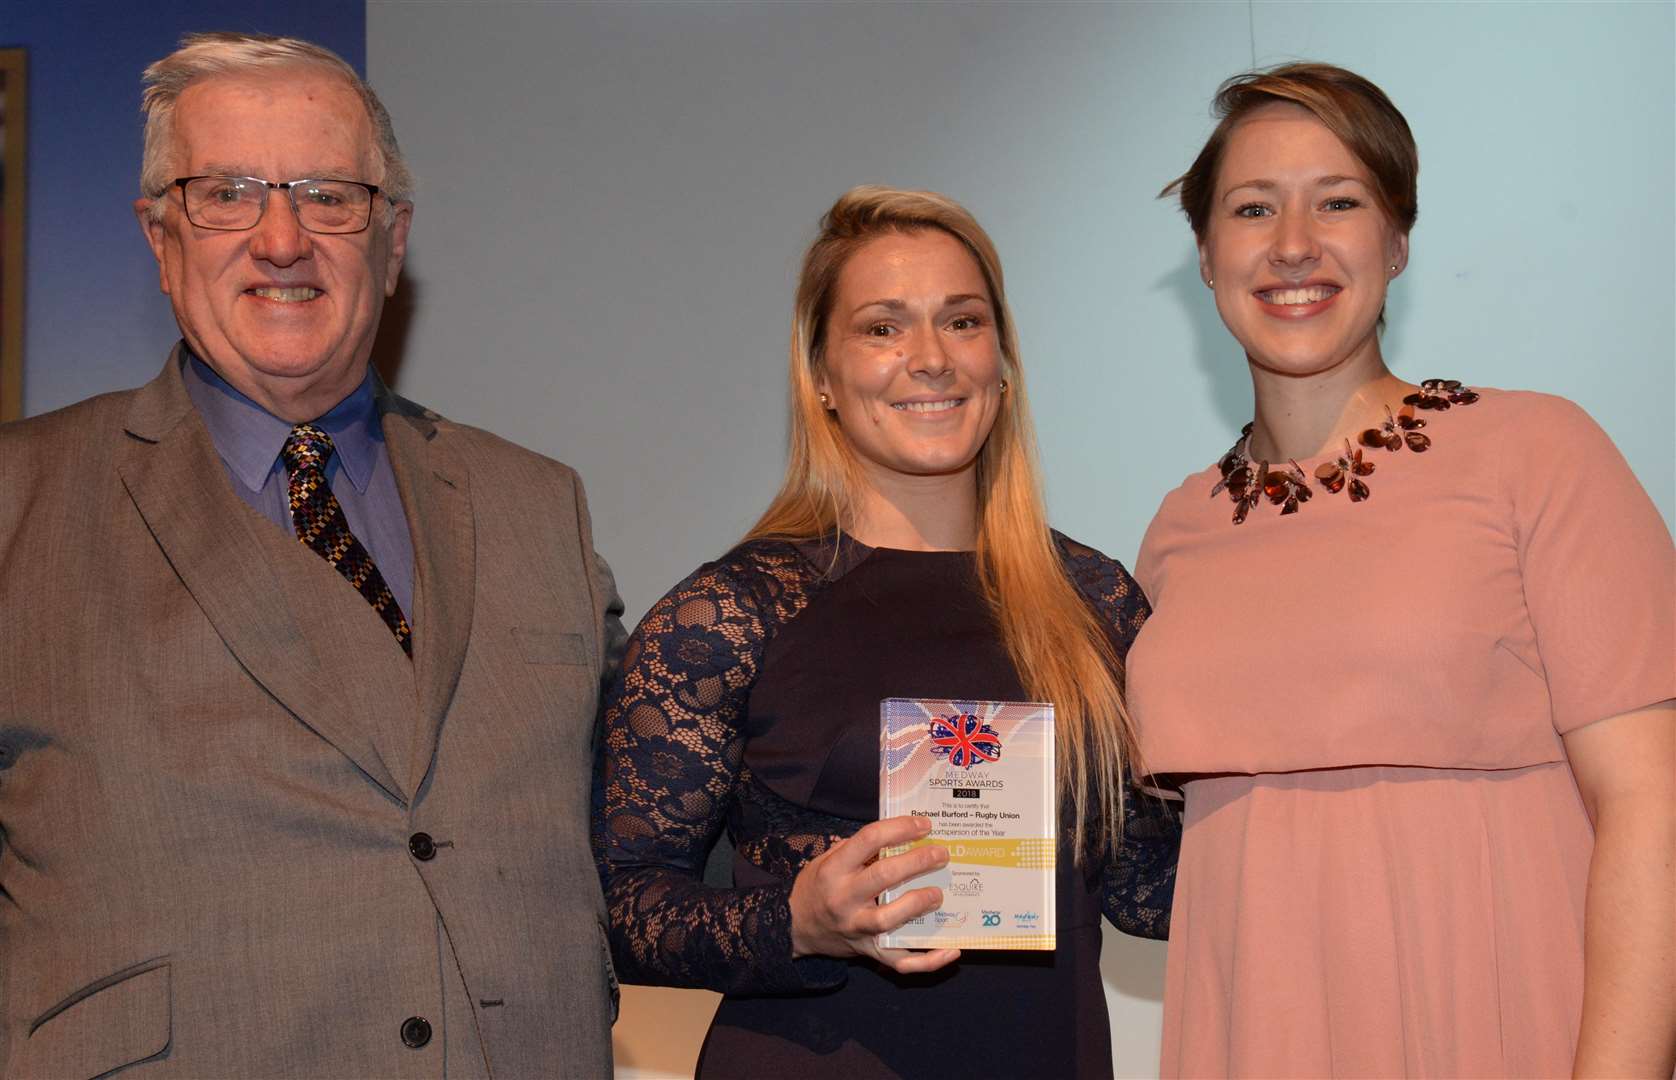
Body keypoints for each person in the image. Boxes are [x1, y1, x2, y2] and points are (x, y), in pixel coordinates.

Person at [0, 32, 625, 1078]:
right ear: (160, 240)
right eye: (228, 193)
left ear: (391, 240)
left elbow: (648, 820)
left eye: (329, 195)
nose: (282, 239)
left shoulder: (537, 501)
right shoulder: (18, 503)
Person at [1130, 62, 1675, 1077]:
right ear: (1204, 255)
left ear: (1395, 239)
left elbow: (1653, 807)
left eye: (1337, 202)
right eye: (1252, 209)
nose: (1293, 244)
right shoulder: (1175, 530)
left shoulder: (1537, 451)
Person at [593, 185, 1178, 1079]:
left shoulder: (1095, 601)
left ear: (1004, 362)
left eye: (963, 321)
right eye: (882, 327)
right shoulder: (729, 615)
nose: (931, 359)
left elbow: (1147, 896)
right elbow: (620, 910)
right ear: (821, 376)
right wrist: (794, 921)